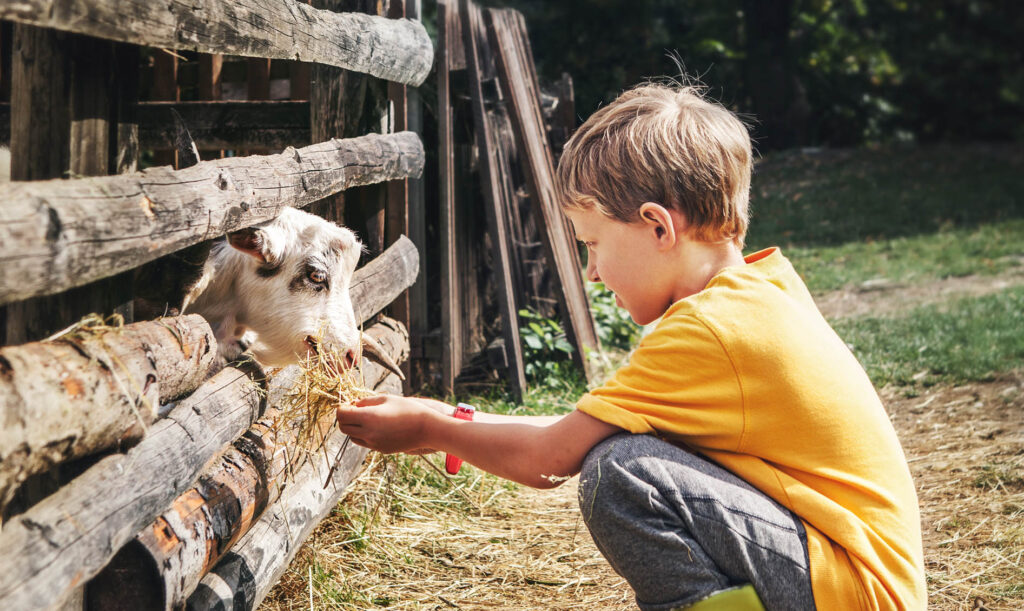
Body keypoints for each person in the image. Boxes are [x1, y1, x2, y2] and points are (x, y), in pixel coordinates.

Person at [336, 81, 926, 611]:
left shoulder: (709, 330)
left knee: (622, 477)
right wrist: (443, 416)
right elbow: (585, 426)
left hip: (853, 592)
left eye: (593, 244)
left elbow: (553, 457)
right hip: (854, 581)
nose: (593, 273)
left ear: (658, 227)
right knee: (623, 455)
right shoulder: (759, 289)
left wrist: (430, 430)